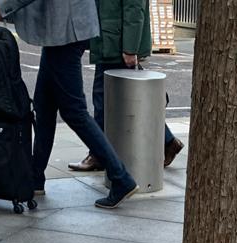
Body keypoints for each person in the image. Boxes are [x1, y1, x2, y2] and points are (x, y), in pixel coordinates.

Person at [0, 0, 137, 209]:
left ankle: (121, 178)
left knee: (75, 112)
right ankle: (35, 178)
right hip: (63, 28)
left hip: (66, 29)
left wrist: (2, 6)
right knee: (44, 106)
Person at [69, 0, 183, 172]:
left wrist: (130, 48)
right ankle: (167, 141)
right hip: (109, 39)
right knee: (124, 99)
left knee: (104, 98)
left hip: (115, 42)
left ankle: (98, 155)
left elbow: (134, 8)